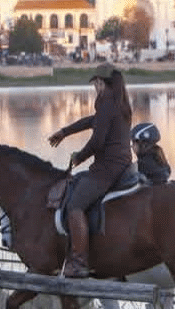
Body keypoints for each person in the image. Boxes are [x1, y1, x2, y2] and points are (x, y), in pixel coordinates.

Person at [48, 64, 132, 278]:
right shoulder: (119, 102)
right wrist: (65, 132)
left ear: (100, 82)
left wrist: (79, 157)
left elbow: (97, 141)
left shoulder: (106, 102)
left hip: (107, 169)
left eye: (95, 83)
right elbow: (92, 122)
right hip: (122, 164)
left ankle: (79, 261)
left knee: (75, 205)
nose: (94, 88)